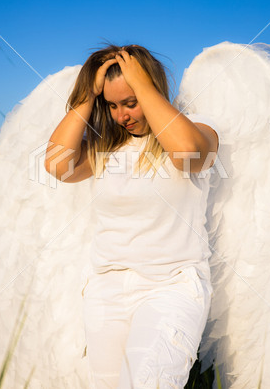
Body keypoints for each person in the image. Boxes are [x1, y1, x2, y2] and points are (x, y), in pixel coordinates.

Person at [44, 44, 220, 388]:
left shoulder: (201, 130)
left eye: (131, 102)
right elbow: (55, 165)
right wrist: (86, 97)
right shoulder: (106, 149)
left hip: (171, 287)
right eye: (111, 105)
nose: (122, 115)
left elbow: (187, 153)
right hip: (105, 291)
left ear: (151, 88)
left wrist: (144, 87)